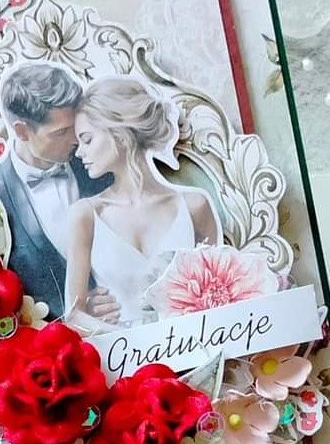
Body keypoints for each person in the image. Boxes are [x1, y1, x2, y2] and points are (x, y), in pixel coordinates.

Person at [65, 76, 220, 329]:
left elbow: (219, 296)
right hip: (122, 351)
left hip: (192, 343)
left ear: (119, 134)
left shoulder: (195, 206)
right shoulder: (86, 215)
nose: (80, 152)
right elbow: (73, 315)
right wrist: (130, 340)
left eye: (87, 139)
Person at [0, 62, 118, 322]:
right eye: (61, 132)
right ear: (22, 131)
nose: (76, 140)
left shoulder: (101, 164)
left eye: (75, 127)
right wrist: (77, 314)